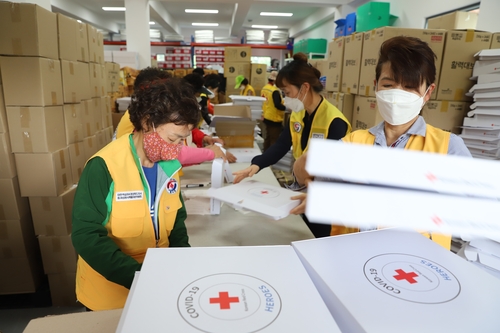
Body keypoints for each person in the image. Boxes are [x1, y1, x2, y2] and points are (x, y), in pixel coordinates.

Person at [291, 36, 472, 249]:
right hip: (351, 256)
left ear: (428, 93)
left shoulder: (449, 148)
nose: (397, 94)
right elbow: (306, 178)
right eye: (389, 84)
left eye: (410, 87)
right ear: (376, 86)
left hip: (416, 265)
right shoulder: (353, 143)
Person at [72, 79, 200, 311]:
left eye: (183, 140)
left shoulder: (169, 166)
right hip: (111, 297)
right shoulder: (104, 166)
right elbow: (86, 237)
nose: (178, 148)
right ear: (147, 122)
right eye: (173, 139)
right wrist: (140, 277)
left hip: (158, 287)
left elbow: (177, 222)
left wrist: (183, 265)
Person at [233, 52, 351, 237]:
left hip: (325, 196)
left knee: (318, 238)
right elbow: (282, 144)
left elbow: (334, 172)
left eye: (287, 93)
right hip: (302, 188)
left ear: (304, 88)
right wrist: (256, 165)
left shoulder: (335, 121)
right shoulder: (298, 114)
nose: (285, 99)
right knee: (302, 233)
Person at [114, 68, 235, 164]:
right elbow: (174, 152)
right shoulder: (140, 118)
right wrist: (208, 153)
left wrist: (203, 138)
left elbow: (178, 129)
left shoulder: (158, 114)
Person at [260, 70, 286, 151]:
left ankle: (265, 154)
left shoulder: (265, 88)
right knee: (274, 139)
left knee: (267, 138)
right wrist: (286, 108)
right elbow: (277, 105)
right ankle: (271, 158)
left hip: (266, 116)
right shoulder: (274, 91)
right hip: (274, 118)